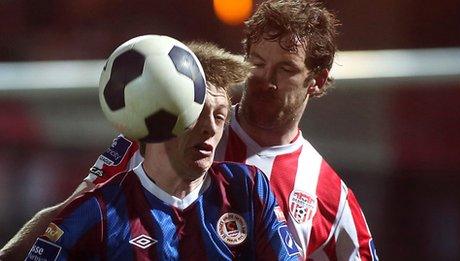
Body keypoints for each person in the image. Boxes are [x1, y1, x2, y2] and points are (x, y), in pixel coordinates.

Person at [2, 1, 378, 260]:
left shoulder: (330, 197)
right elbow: (70, 213)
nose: (264, 80)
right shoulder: (166, 125)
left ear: (317, 80)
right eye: (258, 62)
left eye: (286, 69)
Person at [23, 41, 300, 260]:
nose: (210, 129)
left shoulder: (247, 190)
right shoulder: (98, 213)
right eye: (197, 114)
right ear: (163, 117)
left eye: (219, 116)